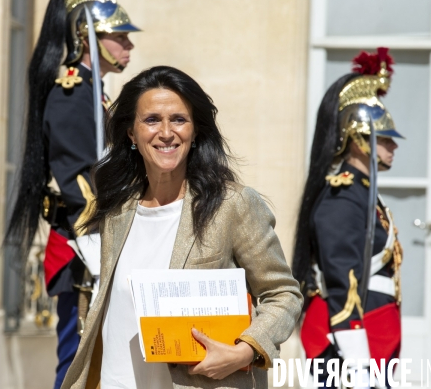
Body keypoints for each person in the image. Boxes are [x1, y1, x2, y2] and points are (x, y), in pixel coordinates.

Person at [60, 66, 302, 389]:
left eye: (178, 119)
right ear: (131, 133)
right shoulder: (116, 211)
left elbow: (283, 294)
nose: (166, 132)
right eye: (151, 120)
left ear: (195, 130)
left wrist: (244, 352)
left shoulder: (233, 204)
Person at [4, 0, 139, 388]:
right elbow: (78, 181)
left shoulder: (95, 95)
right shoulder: (71, 93)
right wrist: (108, 238)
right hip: (84, 246)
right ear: (87, 37)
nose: (129, 44)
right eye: (120, 36)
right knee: (79, 365)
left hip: (99, 241)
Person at [292, 48, 404, 388]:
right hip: (347, 344)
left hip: (375, 330)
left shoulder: (364, 194)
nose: (393, 147)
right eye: (384, 138)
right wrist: (357, 365)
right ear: (358, 139)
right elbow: (343, 282)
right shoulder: (343, 196)